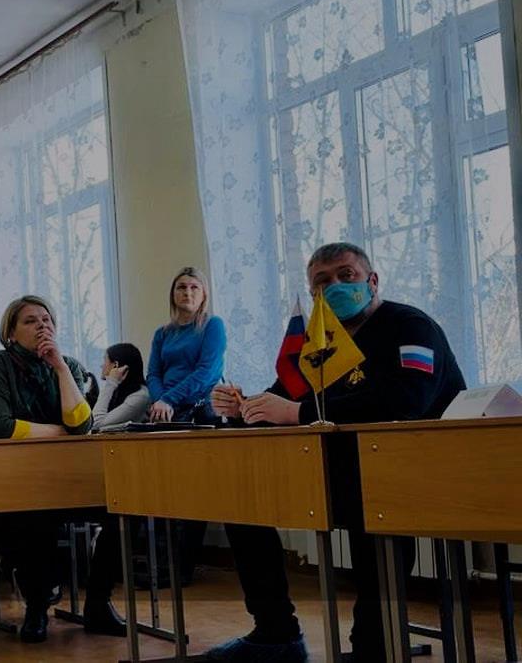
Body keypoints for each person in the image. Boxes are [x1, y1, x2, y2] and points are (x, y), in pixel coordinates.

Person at [207, 242, 466, 662]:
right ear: (314, 296)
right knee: (243, 502)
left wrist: (297, 412)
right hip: (343, 471)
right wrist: (244, 408)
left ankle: (373, 646)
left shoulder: (410, 326)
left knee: (374, 513)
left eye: (347, 275)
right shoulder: (321, 343)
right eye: (322, 282)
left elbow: (407, 401)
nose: (336, 287)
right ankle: (276, 634)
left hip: (412, 474)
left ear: (372, 280)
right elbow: (283, 399)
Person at [0, 295, 128, 643]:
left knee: (123, 510)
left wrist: (59, 367)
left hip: (67, 478)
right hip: (17, 480)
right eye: (30, 321)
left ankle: (98, 601)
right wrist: (59, 432)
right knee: (34, 515)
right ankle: (36, 607)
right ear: (11, 332)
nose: (42, 326)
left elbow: (81, 425)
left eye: (46, 320)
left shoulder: (69, 365)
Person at [146, 267, 226, 423]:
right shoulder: (162, 333)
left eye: (194, 287)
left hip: (200, 409)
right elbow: (153, 374)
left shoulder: (213, 325)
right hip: (165, 409)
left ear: (204, 295)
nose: (187, 292)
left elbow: (206, 371)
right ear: (173, 294)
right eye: (181, 287)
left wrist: (168, 399)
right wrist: (160, 402)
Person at [92, 343, 151, 427]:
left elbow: (96, 423)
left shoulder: (140, 396)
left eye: (105, 360)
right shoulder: (116, 390)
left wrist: (111, 382)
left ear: (115, 365)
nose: (101, 366)